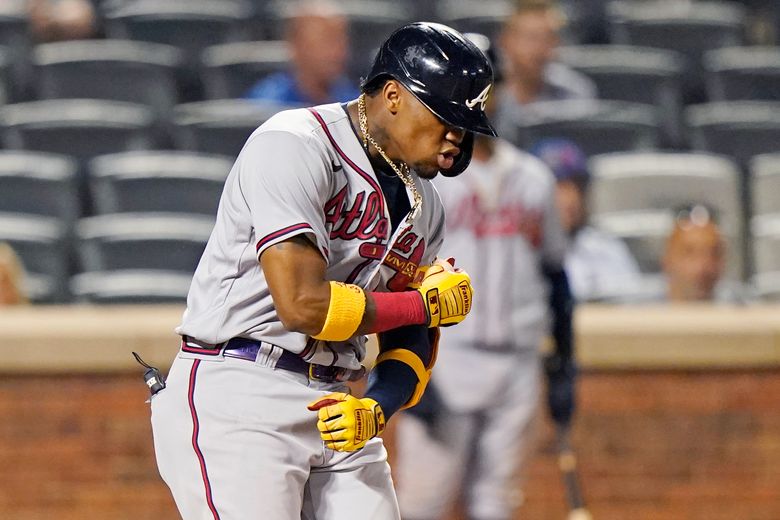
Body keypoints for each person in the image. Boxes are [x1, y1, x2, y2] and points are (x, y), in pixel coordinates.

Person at [149, 22, 495, 520]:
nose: (457, 138)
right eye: (447, 117)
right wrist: (423, 303)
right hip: (242, 389)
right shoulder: (295, 143)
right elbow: (303, 305)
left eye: (466, 126)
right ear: (393, 95)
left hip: (337, 400)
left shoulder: (428, 207)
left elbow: (412, 339)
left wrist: (375, 409)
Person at [394, 34, 576, 520]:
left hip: (517, 360)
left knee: (496, 505)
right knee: (420, 503)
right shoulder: (424, 177)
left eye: (487, 82)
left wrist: (564, 361)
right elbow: (398, 277)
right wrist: (407, 363)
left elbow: (555, 275)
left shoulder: (534, 178)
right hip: (447, 356)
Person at [531, 137, 642, 302]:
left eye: (576, 186)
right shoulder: (519, 252)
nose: (570, 198)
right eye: (559, 187)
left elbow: (635, 313)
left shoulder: (607, 249)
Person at [495, 0, 597, 140]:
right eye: (531, 38)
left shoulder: (575, 91)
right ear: (506, 40)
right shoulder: (488, 95)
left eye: (548, 38)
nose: (539, 49)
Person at [244, 0, 359, 105]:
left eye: (341, 41)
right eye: (326, 41)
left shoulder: (355, 102)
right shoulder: (266, 104)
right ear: (296, 45)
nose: (337, 52)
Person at [661, 204, 748, 303]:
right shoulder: (644, 311)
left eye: (714, 253)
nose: (703, 267)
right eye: (689, 252)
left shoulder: (742, 310)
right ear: (667, 260)